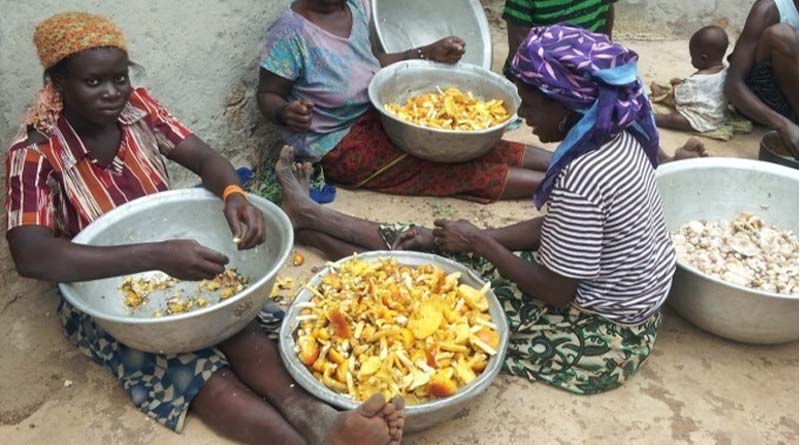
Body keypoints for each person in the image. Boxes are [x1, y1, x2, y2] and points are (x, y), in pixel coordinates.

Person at [5, 12, 404, 445]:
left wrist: (233, 193)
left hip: (170, 257)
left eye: (119, 78)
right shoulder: (34, 152)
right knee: (189, 369)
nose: (112, 93)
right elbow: (34, 256)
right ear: (57, 83)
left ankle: (322, 423)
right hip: (96, 288)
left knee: (238, 328)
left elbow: (204, 158)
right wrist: (158, 255)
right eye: (93, 82)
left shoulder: (137, 109)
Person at [277, 24, 676, 394]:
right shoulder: (617, 133)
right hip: (616, 289)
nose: (523, 117)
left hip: (601, 329)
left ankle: (311, 226)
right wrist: (474, 239)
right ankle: (312, 218)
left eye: (532, 105)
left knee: (433, 301)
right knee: (438, 247)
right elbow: (565, 227)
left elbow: (556, 291)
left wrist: (481, 245)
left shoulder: (585, 173)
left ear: (567, 105)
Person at [257, 0, 554, 203]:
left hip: (375, 115)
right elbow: (268, 94)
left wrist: (425, 52)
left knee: (458, 146)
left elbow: (372, 62)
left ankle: (564, 165)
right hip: (336, 144)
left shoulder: (353, 8)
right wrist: (284, 112)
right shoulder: (290, 33)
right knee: (444, 171)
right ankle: (557, 187)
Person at [725, 0, 798, 155]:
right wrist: (782, 125)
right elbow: (733, 84)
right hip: (766, 100)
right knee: (781, 35)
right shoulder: (768, 10)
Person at [502, 0, 618, 80]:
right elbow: (520, 53)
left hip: (589, 70)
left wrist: (606, 50)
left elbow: (607, 8)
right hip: (545, 74)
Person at [652, 26, 730, 134]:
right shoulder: (725, 72)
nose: (691, 59)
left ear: (703, 59)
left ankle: (652, 117)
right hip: (718, 116)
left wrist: (677, 87)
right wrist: (683, 83)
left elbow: (681, 96)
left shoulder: (698, 79)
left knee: (676, 119)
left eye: (693, 56)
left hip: (700, 118)